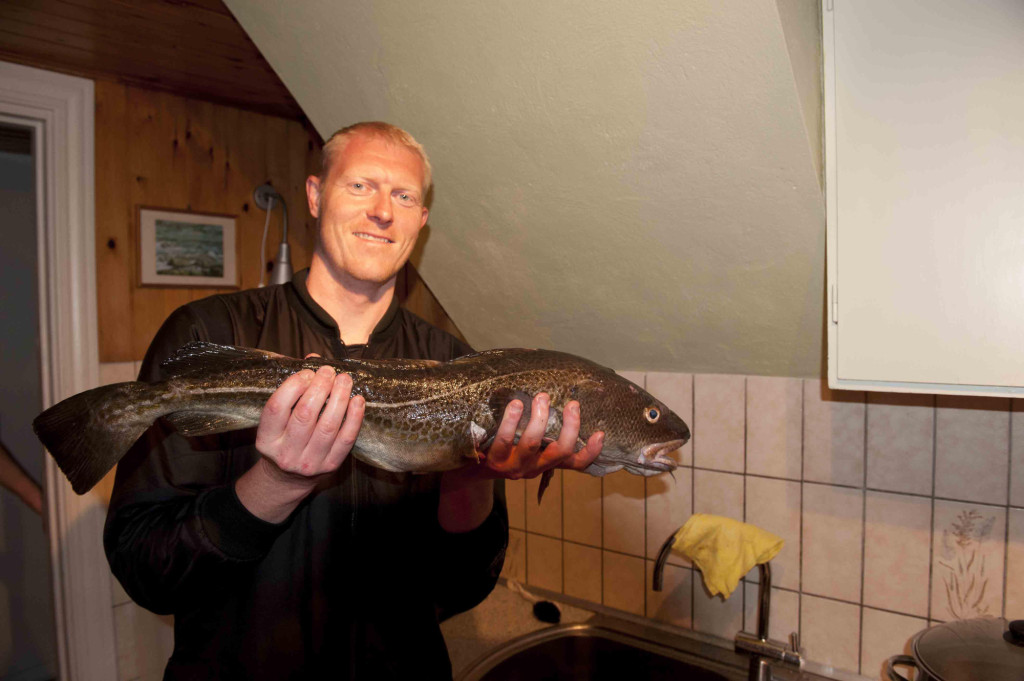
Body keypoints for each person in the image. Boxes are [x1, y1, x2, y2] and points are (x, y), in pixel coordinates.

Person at [104, 121, 604, 680]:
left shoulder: (460, 369)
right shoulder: (208, 334)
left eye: (404, 196)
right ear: (316, 196)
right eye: (361, 186)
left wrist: (470, 476)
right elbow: (146, 569)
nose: (383, 211)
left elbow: (460, 589)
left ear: (421, 220)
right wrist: (275, 484)